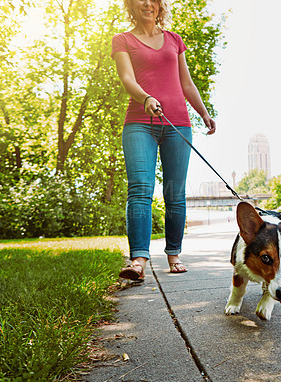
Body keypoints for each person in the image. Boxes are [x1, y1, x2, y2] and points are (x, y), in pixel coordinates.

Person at [111, 0, 216, 281]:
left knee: (174, 192)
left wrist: (204, 114)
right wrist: (145, 98)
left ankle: (174, 254)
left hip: (178, 124)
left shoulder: (174, 40)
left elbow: (186, 83)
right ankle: (138, 260)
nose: (147, 3)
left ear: (159, 6)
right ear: (131, 5)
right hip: (139, 123)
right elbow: (126, 78)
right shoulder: (122, 40)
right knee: (140, 188)